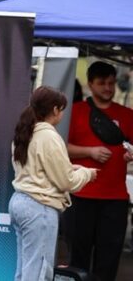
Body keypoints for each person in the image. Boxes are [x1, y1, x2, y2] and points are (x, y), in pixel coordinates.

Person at [9, 86, 96, 281]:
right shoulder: (50, 136)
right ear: (55, 110)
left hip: (19, 202)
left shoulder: (24, 133)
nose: (63, 113)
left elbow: (35, 168)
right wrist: (86, 173)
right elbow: (67, 182)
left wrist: (70, 167)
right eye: (62, 109)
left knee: (24, 270)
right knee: (39, 273)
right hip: (39, 207)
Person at [66, 61, 133, 280]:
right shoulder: (75, 111)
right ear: (90, 84)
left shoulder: (127, 114)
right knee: (78, 257)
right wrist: (90, 151)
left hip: (115, 198)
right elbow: (58, 148)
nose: (108, 88)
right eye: (102, 83)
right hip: (80, 195)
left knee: (109, 258)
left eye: (111, 83)